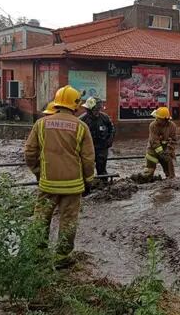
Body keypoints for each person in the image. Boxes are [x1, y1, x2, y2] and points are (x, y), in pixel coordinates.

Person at [24, 85, 95, 263]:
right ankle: (62, 257)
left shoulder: (41, 124)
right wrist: (89, 180)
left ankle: (39, 254)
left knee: (41, 217)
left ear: (56, 103)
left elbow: (30, 152)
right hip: (73, 185)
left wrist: (38, 172)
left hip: (48, 183)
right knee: (68, 220)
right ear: (76, 104)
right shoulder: (81, 127)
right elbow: (88, 158)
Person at [80, 97, 115, 177]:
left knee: (102, 169)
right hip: (87, 149)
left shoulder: (105, 118)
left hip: (102, 148)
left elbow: (112, 129)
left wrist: (109, 141)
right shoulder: (82, 120)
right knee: (86, 169)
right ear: (89, 109)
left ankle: (103, 183)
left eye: (98, 109)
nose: (97, 112)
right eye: (95, 110)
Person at [143, 106, 177, 179]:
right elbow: (154, 141)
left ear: (165, 119)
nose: (156, 119)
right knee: (149, 172)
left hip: (166, 151)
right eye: (156, 117)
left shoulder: (172, 126)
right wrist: (161, 152)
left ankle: (170, 187)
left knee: (171, 175)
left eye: (159, 118)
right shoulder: (153, 125)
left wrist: (168, 151)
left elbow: (173, 140)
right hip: (153, 151)